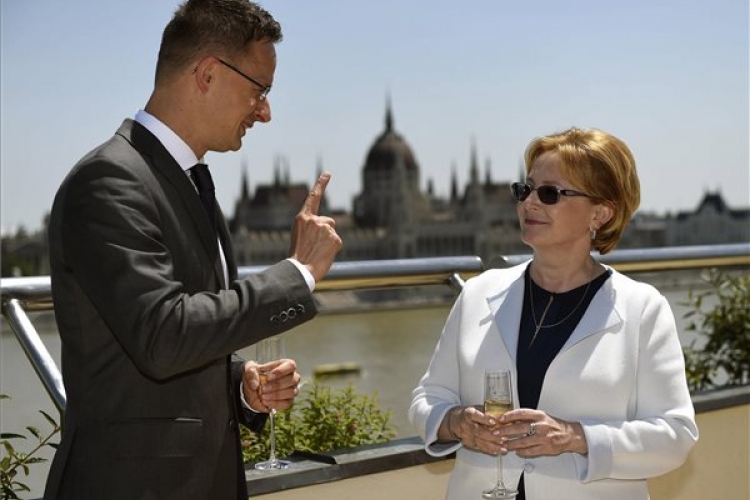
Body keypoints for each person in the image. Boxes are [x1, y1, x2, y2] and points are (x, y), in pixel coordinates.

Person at [44, 1, 342, 499]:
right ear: (207, 74)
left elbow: (171, 339)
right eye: (260, 90)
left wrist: (240, 383)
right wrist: (299, 272)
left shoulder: (187, 181)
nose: (265, 112)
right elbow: (163, 336)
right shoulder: (109, 180)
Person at [409, 127, 698, 500]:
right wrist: (454, 422)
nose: (529, 203)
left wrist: (575, 436)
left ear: (600, 212)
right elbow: (427, 398)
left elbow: (675, 436)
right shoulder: (478, 294)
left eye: (549, 193)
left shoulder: (642, 309)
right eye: (525, 189)